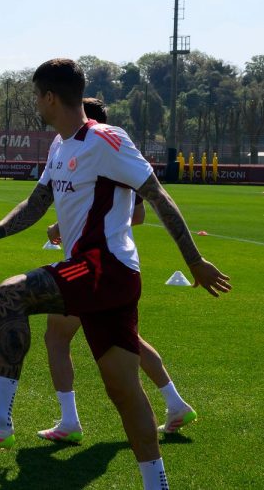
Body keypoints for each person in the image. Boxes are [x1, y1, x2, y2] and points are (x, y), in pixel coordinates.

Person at [0, 59, 230, 490]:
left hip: (105, 267)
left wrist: (194, 261)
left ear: (50, 97)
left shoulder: (106, 139)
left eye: (37, 96)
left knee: (10, 294)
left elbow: (158, 196)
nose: (36, 103)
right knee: (123, 390)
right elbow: (36, 205)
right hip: (97, 276)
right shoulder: (59, 147)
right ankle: (157, 484)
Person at [38, 98, 196, 444]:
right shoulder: (114, 155)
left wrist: (91, 225)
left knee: (56, 336)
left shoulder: (99, 149)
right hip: (114, 263)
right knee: (126, 340)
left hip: (94, 266)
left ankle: (69, 420)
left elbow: (135, 210)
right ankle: (175, 402)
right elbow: (134, 214)